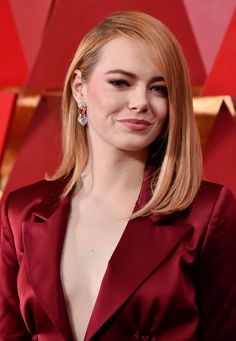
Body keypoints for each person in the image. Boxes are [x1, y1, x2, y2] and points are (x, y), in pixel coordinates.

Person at [0, 10, 236, 341]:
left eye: (159, 89)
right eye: (120, 83)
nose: (141, 102)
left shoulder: (208, 212)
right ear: (80, 88)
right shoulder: (19, 211)